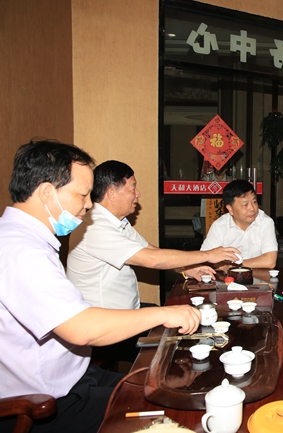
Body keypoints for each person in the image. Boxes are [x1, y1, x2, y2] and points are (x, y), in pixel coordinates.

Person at [0, 140, 200, 433]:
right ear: (47, 192)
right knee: (167, 411)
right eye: (82, 194)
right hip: (46, 403)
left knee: (164, 386)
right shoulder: (20, 251)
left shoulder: (25, 239)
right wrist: (165, 314)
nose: (89, 204)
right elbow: (81, 328)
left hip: (76, 376)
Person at [67, 160, 241, 310]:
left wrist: (186, 268)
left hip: (128, 312)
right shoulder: (94, 227)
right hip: (104, 322)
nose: (138, 194)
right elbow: (152, 259)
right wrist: (209, 255)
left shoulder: (117, 221)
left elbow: (152, 251)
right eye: (133, 188)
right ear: (112, 193)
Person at [187, 179, 277, 274]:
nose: (252, 208)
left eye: (254, 202)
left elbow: (270, 261)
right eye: (245, 205)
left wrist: (233, 266)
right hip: (227, 279)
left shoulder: (266, 222)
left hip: (258, 277)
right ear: (230, 209)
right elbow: (206, 259)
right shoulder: (220, 226)